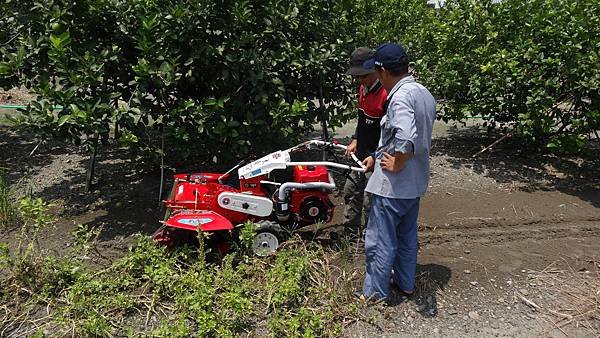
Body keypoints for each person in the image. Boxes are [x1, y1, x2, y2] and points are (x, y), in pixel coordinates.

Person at [356, 43, 437, 302]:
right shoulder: (423, 92)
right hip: (414, 184)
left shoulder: (399, 96)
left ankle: (375, 293)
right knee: (406, 237)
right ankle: (405, 283)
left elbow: (405, 136)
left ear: (382, 70)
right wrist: (376, 156)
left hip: (393, 186)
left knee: (380, 240)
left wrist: (398, 162)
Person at [343, 47, 388, 239]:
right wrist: (355, 138)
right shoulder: (363, 88)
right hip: (360, 152)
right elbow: (363, 119)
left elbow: (389, 132)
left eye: (363, 76)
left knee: (371, 199)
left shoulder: (386, 94)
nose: (360, 80)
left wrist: (375, 155)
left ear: (375, 71)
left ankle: (371, 237)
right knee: (350, 190)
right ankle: (350, 233)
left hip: (377, 155)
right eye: (357, 77)